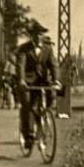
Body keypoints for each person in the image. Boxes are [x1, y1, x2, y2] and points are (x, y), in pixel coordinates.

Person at [16, 21, 60, 150]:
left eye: (41, 34)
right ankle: (28, 136)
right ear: (31, 35)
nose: (38, 37)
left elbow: (54, 65)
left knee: (51, 96)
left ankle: (45, 116)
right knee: (27, 104)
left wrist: (56, 80)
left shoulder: (48, 48)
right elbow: (20, 66)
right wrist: (21, 80)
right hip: (28, 83)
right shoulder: (24, 49)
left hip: (43, 81)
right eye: (36, 34)